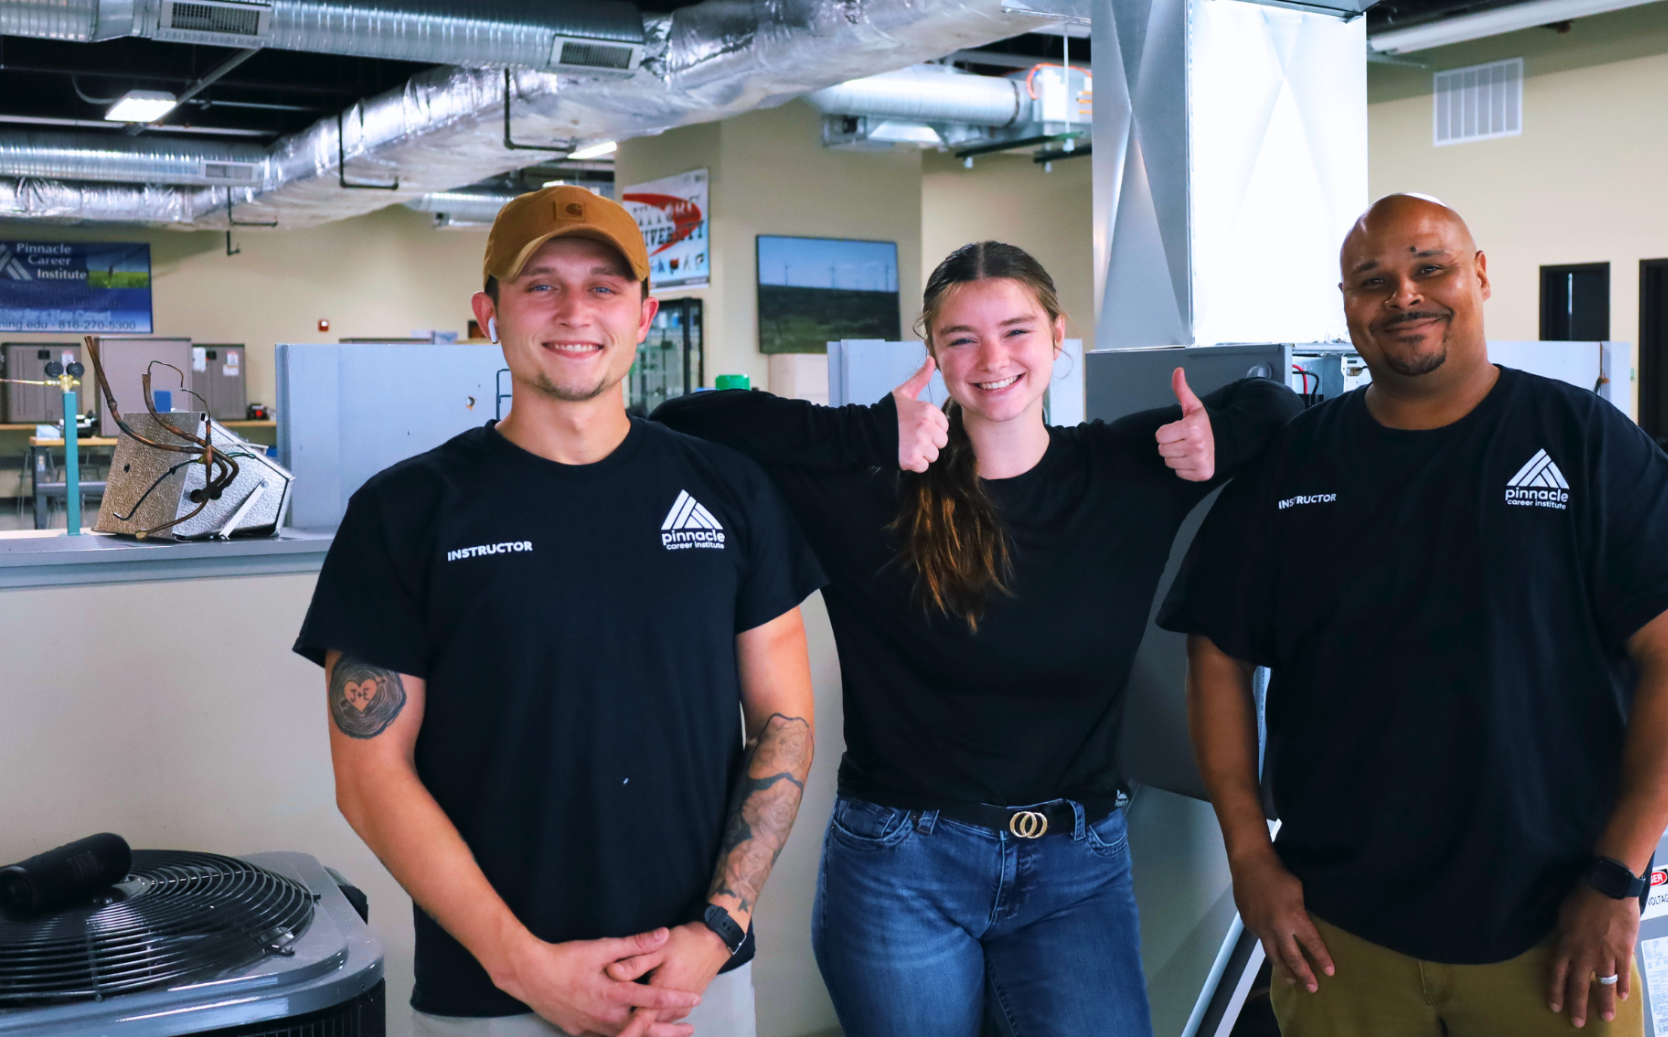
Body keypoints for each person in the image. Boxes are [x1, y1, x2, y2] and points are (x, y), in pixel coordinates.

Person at [650, 241, 1298, 1037]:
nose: (993, 359)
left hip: (1079, 863)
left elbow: (1275, 406)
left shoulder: (1126, 467)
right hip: (901, 863)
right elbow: (682, 420)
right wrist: (863, 432)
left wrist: (1217, 445)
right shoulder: (871, 487)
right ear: (933, 351)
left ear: (1059, 335)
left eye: (1018, 331)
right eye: (962, 338)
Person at [1163, 194, 1668, 1036]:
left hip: (1553, 932)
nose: (1403, 295)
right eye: (1373, 281)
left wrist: (1617, 879)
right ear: (1348, 305)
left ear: (1478, 277)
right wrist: (1249, 854)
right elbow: (1216, 654)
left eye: (1428, 268)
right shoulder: (1296, 465)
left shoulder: (1587, 443)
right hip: (1340, 938)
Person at [294, 185, 825, 1037]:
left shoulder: (730, 493)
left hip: (694, 982)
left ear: (646, 314)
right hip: (492, 992)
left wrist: (716, 930)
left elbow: (784, 724)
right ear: (488, 311)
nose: (575, 310)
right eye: (541, 284)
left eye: (604, 287)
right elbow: (369, 774)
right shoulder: (406, 514)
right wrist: (523, 964)